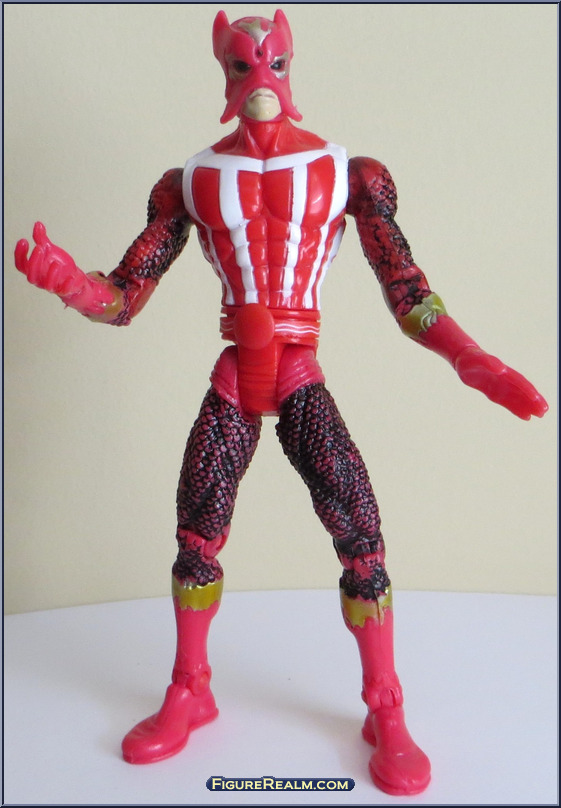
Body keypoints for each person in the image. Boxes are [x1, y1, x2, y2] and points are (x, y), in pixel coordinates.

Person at [15, 10, 547, 796]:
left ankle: (385, 706)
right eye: (242, 65)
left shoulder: (344, 171)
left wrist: (470, 358)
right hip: (238, 368)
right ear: (223, 69)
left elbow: (405, 288)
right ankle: (190, 689)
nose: (260, 78)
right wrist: (69, 284)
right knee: (196, 531)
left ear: (290, 62)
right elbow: (125, 296)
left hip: (297, 366)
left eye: (273, 62)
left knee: (359, 534)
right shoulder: (193, 179)